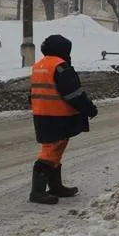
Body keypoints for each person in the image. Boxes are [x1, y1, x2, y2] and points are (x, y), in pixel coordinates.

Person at [29, 34, 99, 205]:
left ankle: (55, 186)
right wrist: (89, 108)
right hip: (58, 115)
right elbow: (73, 94)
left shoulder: (39, 65)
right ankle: (37, 192)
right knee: (51, 151)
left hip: (42, 113)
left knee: (56, 149)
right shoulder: (60, 67)